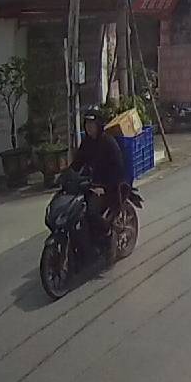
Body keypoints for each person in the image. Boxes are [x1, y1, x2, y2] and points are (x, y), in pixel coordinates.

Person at [70, 106, 125, 264]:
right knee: (74, 209)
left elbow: (119, 169)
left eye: (92, 124)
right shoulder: (87, 143)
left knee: (91, 212)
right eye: (86, 124)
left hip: (109, 188)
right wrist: (66, 176)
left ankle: (107, 238)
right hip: (90, 185)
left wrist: (104, 187)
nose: (89, 127)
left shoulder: (108, 142)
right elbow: (77, 163)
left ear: (99, 125)